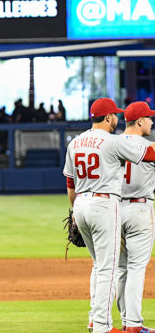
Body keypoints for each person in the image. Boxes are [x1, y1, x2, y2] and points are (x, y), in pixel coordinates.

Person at [63, 98, 155, 333]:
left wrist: (74, 213)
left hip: (81, 203)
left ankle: (95, 319)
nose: (117, 117)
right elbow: (148, 154)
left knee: (99, 266)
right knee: (109, 268)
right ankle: (104, 326)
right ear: (107, 117)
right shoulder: (112, 142)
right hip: (104, 205)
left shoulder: (75, 142)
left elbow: (70, 185)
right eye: (114, 114)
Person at [115, 102, 155, 333]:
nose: (151, 122)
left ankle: (125, 321)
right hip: (140, 210)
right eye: (149, 118)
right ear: (139, 121)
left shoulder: (112, 144)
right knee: (137, 268)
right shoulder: (149, 147)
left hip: (114, 209)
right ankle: (134, 325)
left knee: (121, 269)